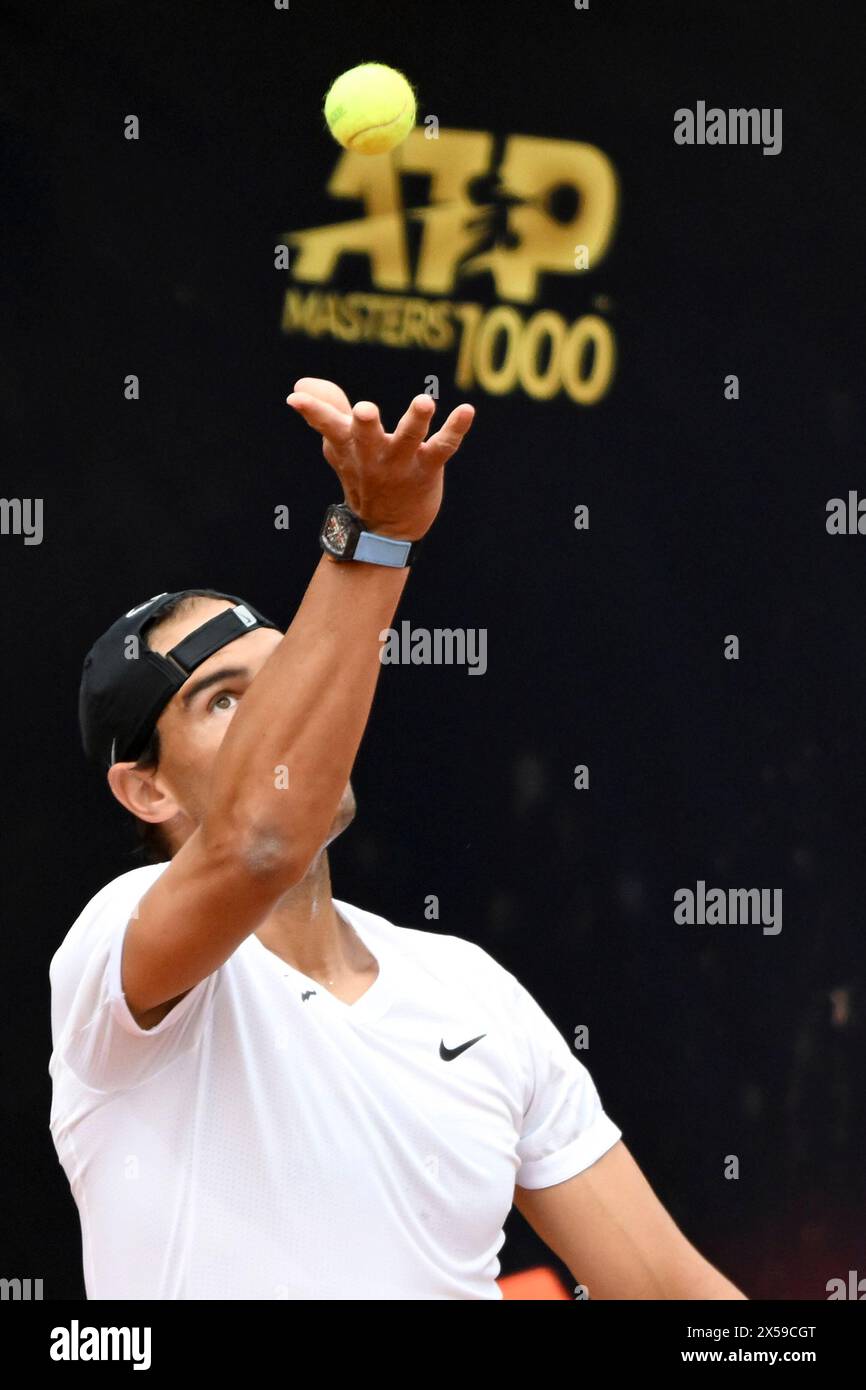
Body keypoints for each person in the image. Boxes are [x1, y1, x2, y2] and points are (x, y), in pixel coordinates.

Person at [49, 377, 747, 1300]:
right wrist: (376, 539)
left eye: (292, 680)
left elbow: (667, 1291)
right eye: (225, 701)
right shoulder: (118, 950)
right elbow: (259, 843)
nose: (290, 720)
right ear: (144, 788)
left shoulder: (469, 988)